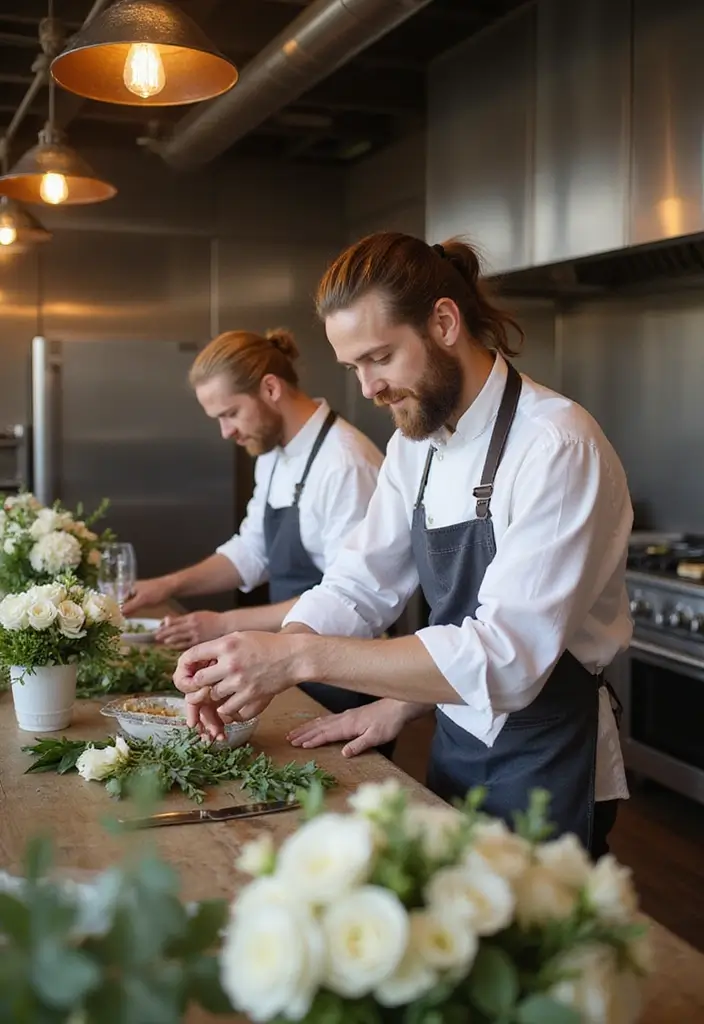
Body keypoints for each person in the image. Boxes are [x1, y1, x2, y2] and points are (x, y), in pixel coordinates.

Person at [173, 233, 633, 858]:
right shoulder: (415, 446)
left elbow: (507, 660)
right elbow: (358, 584)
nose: (368, 388)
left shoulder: (556, 446)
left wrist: (297, 658)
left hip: (549, 755)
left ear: (444, 322)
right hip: (456, 737)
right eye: (353, 368)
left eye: (381, 357)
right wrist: (266, 659)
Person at [124, 326, 385, 717]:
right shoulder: (273, 453)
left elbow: (347, 597)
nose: (226, 431)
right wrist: (166, 585)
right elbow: (252, 550)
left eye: (230, 413)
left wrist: (224, 623)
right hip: (286, 662)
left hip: (341, 678)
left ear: (270, 388)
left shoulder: (346, 464)